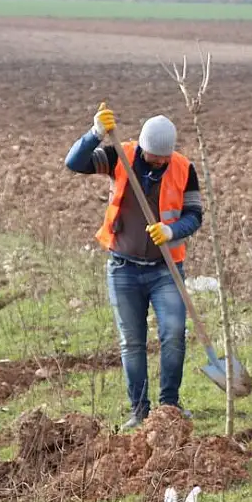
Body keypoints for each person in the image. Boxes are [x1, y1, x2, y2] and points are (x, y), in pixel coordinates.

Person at [64, 103, 203, 430]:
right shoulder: (119, 156)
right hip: (123, 268)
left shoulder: (184, 168)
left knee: (173, 335)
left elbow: (195, 215)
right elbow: (75, 163)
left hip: (165, 270)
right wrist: (95, 133)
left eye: (163, 158)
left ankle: (169, 407)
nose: (158, 162)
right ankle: (139, 411)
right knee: (132, 341)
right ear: (141, 147)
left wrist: (172, 231)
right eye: (153, 156)